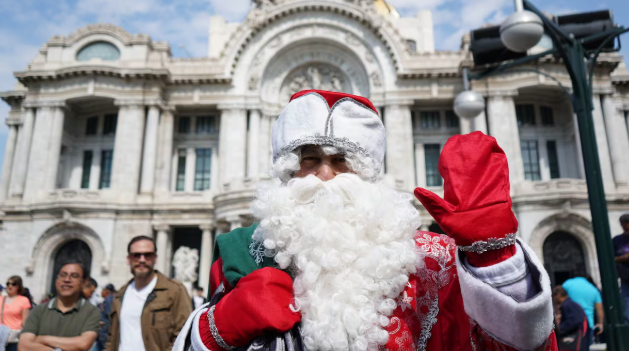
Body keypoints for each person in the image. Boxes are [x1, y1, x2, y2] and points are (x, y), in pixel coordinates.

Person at [173, 90, 557, 351]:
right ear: (288, 172)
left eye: (341, 160)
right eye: (309, 159)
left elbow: (512, 344)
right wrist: (214, 330)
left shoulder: (430, 260)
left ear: (367, 174)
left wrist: (496, 262)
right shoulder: (243, 252)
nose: (325, 175)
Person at [105, 236, 192, 351]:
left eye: (148, 255)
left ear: (155, 258)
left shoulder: (175, 291)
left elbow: (184, 336)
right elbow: (112, 338)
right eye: (136, 255)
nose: (142, 260)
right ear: (128, 259)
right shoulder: (120, 295)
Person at [18, 260, 100, 351]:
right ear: (56, 279)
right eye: (63, 275)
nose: (67, 280)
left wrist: (42, 339)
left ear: (84, 282)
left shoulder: (91, 311)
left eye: (74, 276)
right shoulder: (39, 310)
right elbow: (24, 346)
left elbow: (83, 344)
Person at [562, 276, 604, 346]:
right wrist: (600, 323)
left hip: (570, 323)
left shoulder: (568, 284)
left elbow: (559, 296)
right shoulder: (593, 289)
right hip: (588, 324)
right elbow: (599, 308)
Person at [1, 276, 31, 351]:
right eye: (8, 283)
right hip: (0, 336)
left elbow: (25, 322)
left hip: (14, 338)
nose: (10, 286)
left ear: (18, 286)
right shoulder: (1, 299)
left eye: (13, 284)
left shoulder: (24, 300)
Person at [553, 286, 588, 351]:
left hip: (574, 337)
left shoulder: (567, 305)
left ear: (559, 295)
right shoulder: (571, 303)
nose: (554, 299)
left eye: (554, 296)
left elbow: (575, 320)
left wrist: (560, 329)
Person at [613, 213, 629, 324]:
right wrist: (623, 258)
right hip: (625, 278)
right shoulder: (617, 240)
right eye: (626, 230)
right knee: (626, 310)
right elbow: (610, 258)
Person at [95, 285, 115, 351]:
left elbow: (109, 316)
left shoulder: (109, 300)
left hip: (105, 332)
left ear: (106, 291)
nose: (101, 292)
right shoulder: (110, 299)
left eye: (103, 290)